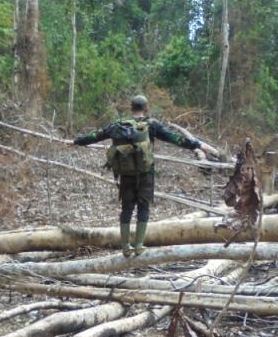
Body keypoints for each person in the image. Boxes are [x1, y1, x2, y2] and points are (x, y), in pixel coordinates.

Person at [72, 95, 202, 257]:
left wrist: (77, 141)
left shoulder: (116, 126)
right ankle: (139, 245)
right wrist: (194, 144)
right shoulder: (152, 125)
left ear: (131, 108)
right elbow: (174, 138)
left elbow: (95, 136)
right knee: (143, 207)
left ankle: (126, 247)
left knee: (126, 208)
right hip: (146, 173)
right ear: (146, 108)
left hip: (126, 174)